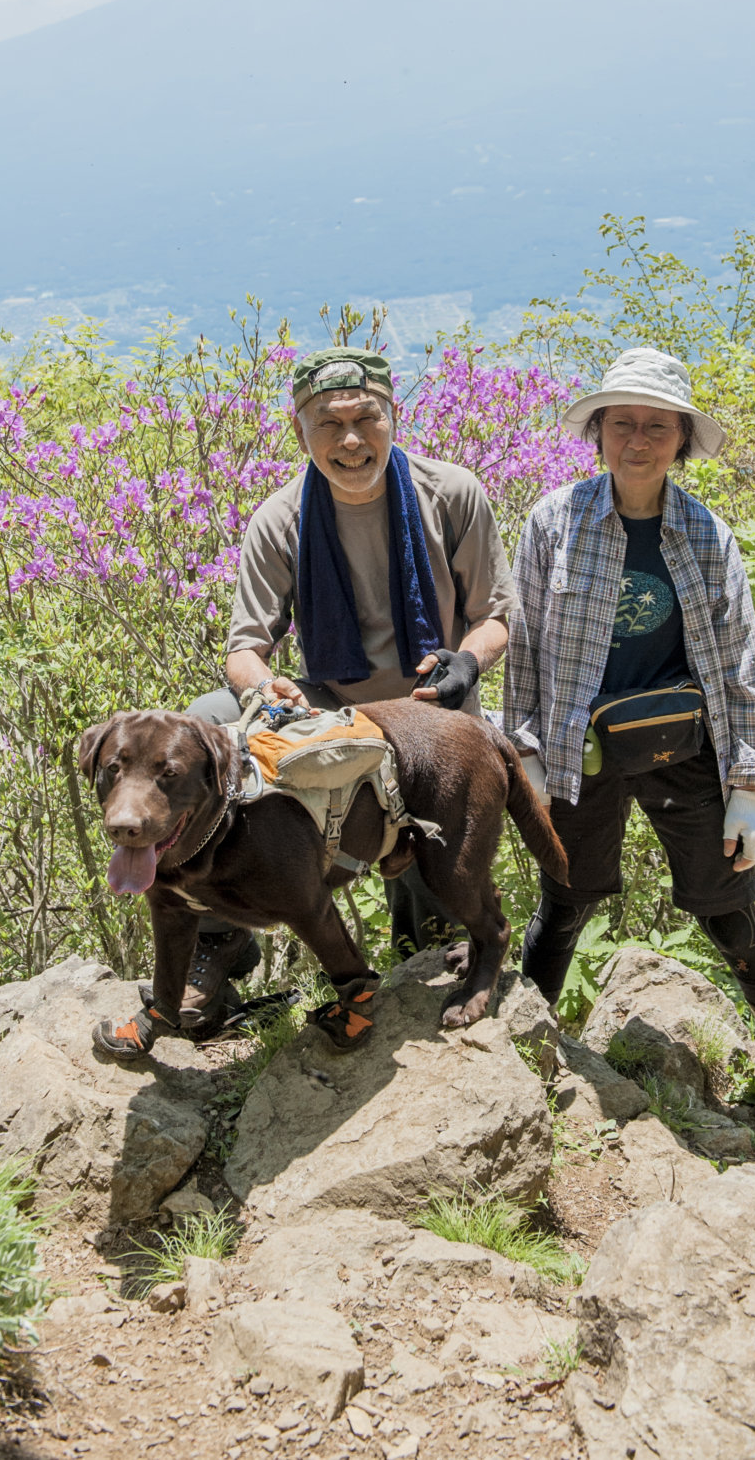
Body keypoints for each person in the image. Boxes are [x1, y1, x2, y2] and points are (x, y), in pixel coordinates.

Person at [504, 344, 755, 1128]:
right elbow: (527, 645)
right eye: (622, 424)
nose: (637, 441)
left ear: (681, 440)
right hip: (580, 745)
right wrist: (526, 753)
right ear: (599, 432)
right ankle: (521, 1050)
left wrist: (747, 789)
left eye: (656, 427)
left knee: (725, 901)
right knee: (566, 896)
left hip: (682, 745)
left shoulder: (707, 537)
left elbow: (742, 665)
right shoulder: (555, 521)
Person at [178, 347, 517, 1020]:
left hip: (429, 709)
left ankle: (436, 948)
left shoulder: (451, 494)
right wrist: (263, 689)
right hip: (332, 706)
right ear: (299, 429)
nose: (352, 440)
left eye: (367, 418)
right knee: (206, 724)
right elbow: (246, 647)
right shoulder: (282, 518)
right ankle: (219, 935)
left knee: (432, 912)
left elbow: (495, 616)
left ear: (393, 416)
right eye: (329, 424)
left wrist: (468, 661)